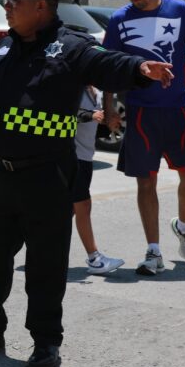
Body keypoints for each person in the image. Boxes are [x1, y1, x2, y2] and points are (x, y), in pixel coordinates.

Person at [0, 0, 174, 367]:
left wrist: (138, 69)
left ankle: (46, 342)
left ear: (41, 7)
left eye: (15, 1)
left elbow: (107, 63)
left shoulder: (71, 48)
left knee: (45, 266)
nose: (7, 8)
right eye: (6, 1)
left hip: (46, 177)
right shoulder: (0, 49)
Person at [103, 0, 185, 276]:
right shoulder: (119, 19)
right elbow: (108, 66)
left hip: (178, 109)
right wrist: (109, 108)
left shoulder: (180, 10)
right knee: (146, 181)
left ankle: (183, 226)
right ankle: (153, 251)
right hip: (140, 112)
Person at [74, 86, 125, 274]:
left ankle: (40, 250)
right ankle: (94, 258)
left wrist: (109, 121)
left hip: (85, 156)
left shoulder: (96, 91)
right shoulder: (73, 86)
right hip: (72, 156)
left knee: (67, 210)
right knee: (83, 205)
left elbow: (95, 124)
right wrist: (91, 115)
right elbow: (62, 114)